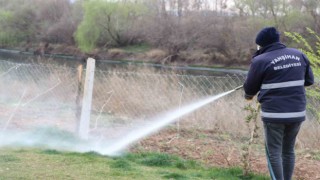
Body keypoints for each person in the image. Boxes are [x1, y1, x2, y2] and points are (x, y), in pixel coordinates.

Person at [243, 27, 314, 180]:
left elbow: (250, 89)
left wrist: (248, 96)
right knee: (288, 151)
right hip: (297, 114)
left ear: (261, 44)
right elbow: (309, 81)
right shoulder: (299, 54)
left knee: (273, 152)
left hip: (274, 115)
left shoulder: (260, 60)